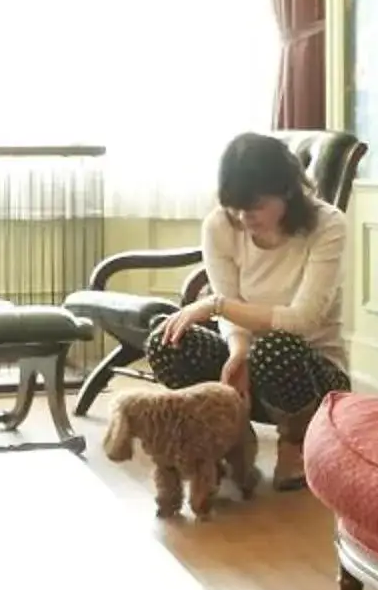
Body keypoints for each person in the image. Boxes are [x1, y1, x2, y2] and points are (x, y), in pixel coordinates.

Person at [145, 132, 352, 490]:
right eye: (235, 206)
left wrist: (216, 306)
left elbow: (302, 320)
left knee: (275, 346)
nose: (243, 217)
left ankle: (296, 443)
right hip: (249, 376)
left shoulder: (327, 225)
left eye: (254, 206)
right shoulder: (219, 225)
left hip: (309, 376)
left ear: (286, 190)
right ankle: (226, 436)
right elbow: (230, 308)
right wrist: (238, 353)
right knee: (168, 339)